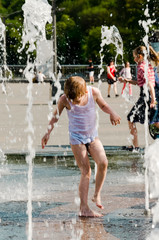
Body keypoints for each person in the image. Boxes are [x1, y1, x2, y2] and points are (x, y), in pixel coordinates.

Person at [41, 76, 121, 217]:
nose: (74, 102)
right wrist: (47, 133)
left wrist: (112, 113)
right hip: (77, 139)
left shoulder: (93, 92)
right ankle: (84, 208)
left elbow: (103, 105)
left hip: (92, 136)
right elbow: (55, 116)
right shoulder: (64, 99)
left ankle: (96, 195)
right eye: (71, 100)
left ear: (84, 92)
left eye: (76, 100)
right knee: (86, 171)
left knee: (103, 163)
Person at [119, 46, 159, 151]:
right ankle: (135, 146)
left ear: (140, 56)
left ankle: (135, 147)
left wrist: (153, 100)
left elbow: (150, 84)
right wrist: (126, 80)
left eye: (134, 57)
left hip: (146, 96)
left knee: (130, 118)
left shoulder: (141, 67)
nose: (134, 59)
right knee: (154, 121)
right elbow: (140, 83)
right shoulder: (147, 65)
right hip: (148, 95)